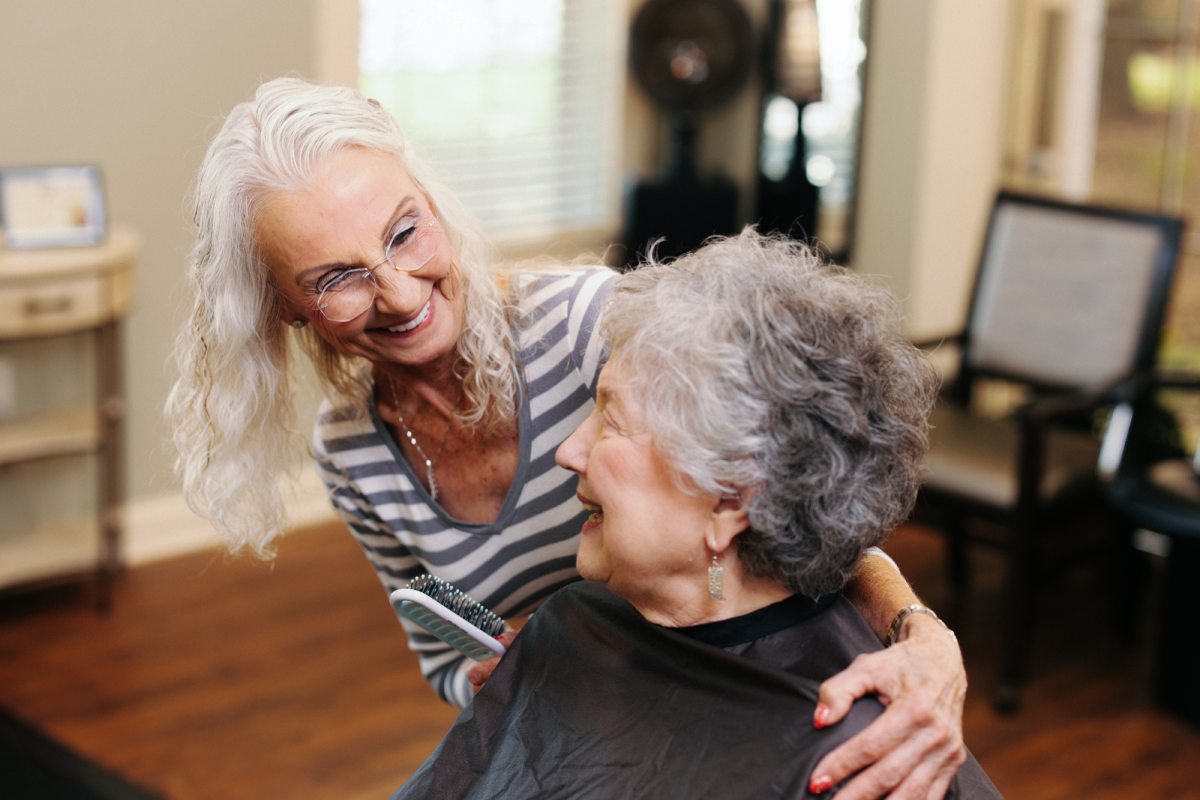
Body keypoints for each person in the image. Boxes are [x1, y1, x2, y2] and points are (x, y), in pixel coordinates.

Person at [166, 76, 966, 798]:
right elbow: (439, 626)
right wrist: (497, 675)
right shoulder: (351, 451)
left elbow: (797, 498)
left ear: (434, 206)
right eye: (336, 279)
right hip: (582, 721)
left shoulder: (592, 329)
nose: (400, 293)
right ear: (284, 309)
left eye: (405, 233)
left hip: (732, 707)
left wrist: (921, 634)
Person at [394, 230, 999, 799]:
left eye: (612, 420)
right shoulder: (570, 621)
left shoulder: (868, 750)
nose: (569, 451)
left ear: (730, 500)